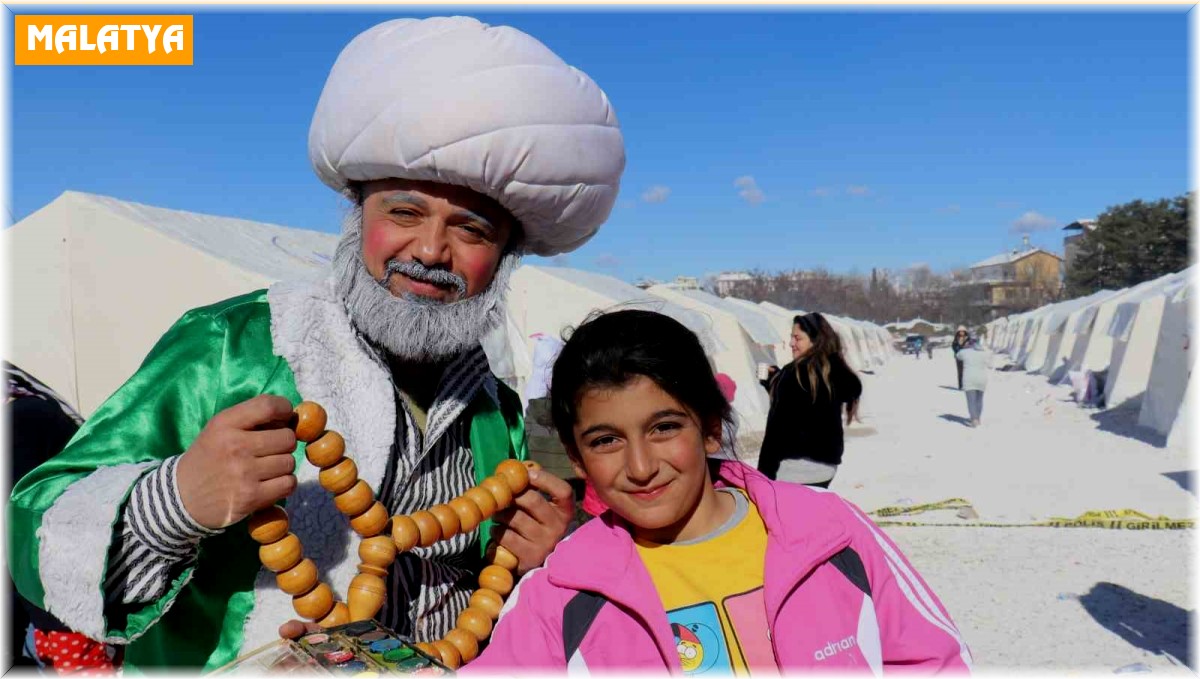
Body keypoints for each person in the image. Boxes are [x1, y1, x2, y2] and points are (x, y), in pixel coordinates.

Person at [9, 16, 625, 671]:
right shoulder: (234, 346)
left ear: (503, 257)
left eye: (471, 229)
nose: (429, 251)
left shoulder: (499, 414)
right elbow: (33, 526)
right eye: (404, 212)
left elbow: (500, 597)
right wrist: (178, 498)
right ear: (357, 214)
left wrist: (555, 551)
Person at [465, 309, 972, 673]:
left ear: (710, 428)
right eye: (606, 441)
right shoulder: (563, 593)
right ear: (576, 458)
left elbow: (935, 659)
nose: (640, 467)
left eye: (664, 428)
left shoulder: (831, 534)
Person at [756, 313, 862, 488]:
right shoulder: (832, 371)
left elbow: (777, 432)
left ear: (815, 340)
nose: (791, 343)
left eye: (797, 338)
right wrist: (775, 381)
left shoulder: (792, 374)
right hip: (826, 468)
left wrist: (763, 476)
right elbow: (812, 401)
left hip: (794, 471)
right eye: (791, 338)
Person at [959, 337, 990, 427]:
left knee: (971, 401)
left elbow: (958, 356)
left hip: (969, 378)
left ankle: (974, 419)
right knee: (979, 400)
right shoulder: (984, 353)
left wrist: (965, 347)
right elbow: (990, 363)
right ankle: (978, 418)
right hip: (982, 378)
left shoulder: (964, 352)